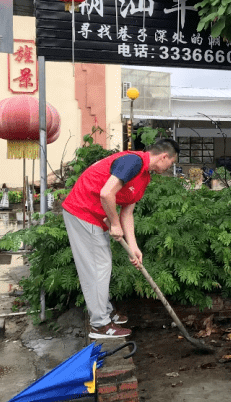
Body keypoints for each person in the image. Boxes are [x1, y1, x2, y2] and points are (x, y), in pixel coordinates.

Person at [63, 138, 180, 339]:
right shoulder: (133, 162)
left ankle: (105, 312)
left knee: (101, 265)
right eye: (172, 162)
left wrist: (134, 247)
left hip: (95, 214)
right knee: (99, 266)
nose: (170, 167)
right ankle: (100, 325)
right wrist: (114, 224)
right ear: (164, 157)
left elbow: (127, 213)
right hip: (83, 211)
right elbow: (106, 193)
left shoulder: (144, 176)